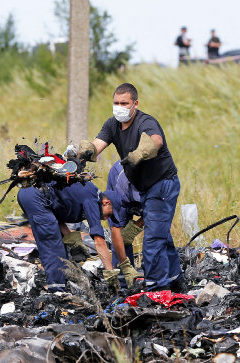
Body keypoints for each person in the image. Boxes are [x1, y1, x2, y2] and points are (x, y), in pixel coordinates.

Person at [78, 83, 184, 292]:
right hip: (143, 186)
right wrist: (84, 153)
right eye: (116, 103)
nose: (120, 107)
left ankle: (157, 290)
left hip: (162, 185)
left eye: (124, 103)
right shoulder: (112, 124)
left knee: (153, 240)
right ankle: (176, 280)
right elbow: (98, 145)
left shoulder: (146, 122)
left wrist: (140, 152)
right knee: (162, 234)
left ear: (135, 104)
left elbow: (156, 140)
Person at [17, 180, 138, 292]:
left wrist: (71, 238)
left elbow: (55, 215)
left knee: (59, 245)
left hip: (32, 196)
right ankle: (57, 293)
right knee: (53, 245)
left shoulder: (90, 196)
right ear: (106, 202)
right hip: (34, 195)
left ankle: (60, 288)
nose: (106, 218)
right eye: (109, 214)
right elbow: (99, 241)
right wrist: (110, 273)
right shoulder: (93, 200)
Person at [106, 161, 145, 273]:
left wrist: (135, 227)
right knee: (121, 238)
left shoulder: (159, 181)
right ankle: (123, 277)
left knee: (154, 235)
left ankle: (154, 276)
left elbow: (157, 211)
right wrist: (122, 234)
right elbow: (116, 227)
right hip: (123, 197)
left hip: (149, 196)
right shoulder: (120, 185)